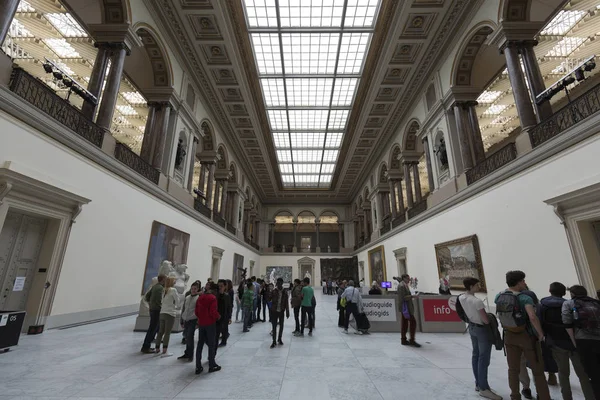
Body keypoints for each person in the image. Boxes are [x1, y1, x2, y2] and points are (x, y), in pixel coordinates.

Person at [495, 271, 550, 400]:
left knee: (513, 369)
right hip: (526, 336)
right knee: (537, 369)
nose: (525, 283)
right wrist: (540, 333)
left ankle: (515, 395)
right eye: (523, 281)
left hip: (509, 335)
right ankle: (544, 396)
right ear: (518, 282)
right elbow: (532, 317)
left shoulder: (499, 296)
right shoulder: (525, 298)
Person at [539, 282, 594, 400]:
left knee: (563, 374)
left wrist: (545, 337)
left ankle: (567, 397)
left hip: (556, 343)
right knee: (583, 375)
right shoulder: (571, 304)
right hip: (574, 343)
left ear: (550, 291)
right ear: (564, 293)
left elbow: (540, 322)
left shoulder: (543, 304)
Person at [459, 278, 502, 400]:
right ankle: (484, 388)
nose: (478, 287)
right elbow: (485, 320)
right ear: (471, 286)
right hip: (482, 329)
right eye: (477, 285)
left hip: (472, 327)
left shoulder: (462, 297)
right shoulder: (477, 301)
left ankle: (479, 384)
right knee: (484, 358)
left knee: (476, 355)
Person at [562, 285, 600, 399]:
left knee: (593, 374)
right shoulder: (596, 302)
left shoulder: (569, 304)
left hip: (584, 341)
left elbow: (567, 323)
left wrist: (574, 341)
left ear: (572, 294)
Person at [195, 282, 221, 374]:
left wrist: (200, 318)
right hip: (210, 323)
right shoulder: (212, 298)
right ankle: (211, 364)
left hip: (201, 323)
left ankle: (198, 366)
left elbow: (196, 311)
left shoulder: (200, 297)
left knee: (200, 344)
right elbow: (213, 311)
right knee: (211, 344)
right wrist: (218, 317)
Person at [141, 274, 165, 353]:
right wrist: (161, 308)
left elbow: (147, 296)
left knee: (154, 328)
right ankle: (146, 346)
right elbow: (159, 301)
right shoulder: (160, 288)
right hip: (157, 310)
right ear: (163, 280)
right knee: (152, 328)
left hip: (152, 309)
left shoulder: (155, 286)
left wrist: (151, 304)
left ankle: (150, 343)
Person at [155, 276, 178, 357]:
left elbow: (162, 301)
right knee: (167, 332)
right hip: (170, 313)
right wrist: (174, 305)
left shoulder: (164, 290)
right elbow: (177, 301)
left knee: (161, 331)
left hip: (162, 312)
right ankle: (165, 350)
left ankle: (157, 348)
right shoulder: (173, 290)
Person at [178, 280, 200, 361]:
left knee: (190, 337)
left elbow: (199, 311)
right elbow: (183, 309)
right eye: (192, 288)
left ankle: (190, 355)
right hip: (186, 320)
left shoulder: (198, 298)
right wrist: (181, 320)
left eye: (195, 289)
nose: (193, 290)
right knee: (186, 337)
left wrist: (198, 322)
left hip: (193, 320)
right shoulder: (187, 297)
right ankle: (187, 353)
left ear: (197, 290)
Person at [397, 274, 421, 347]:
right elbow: (403, 297)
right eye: (408, 278)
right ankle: (411, 340)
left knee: (404, 323)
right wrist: (413, 296)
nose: (409, 280)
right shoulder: (401, 286)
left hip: (406, 307)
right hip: (405, 308)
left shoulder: (404, 285)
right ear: (404, 278)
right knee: (412, 322)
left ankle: (404, 339)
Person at [270, 277, 290, 348]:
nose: (278, 284)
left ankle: (279, 338)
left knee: (281, 326)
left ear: (282, 283)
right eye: (277, 283)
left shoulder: (285, 292)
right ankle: (274, 341)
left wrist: (287, 311)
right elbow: (269, 299)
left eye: (280, 283)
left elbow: (286, 302)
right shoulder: (274, 291)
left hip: (281, 311)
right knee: (274, 326)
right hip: (274, 311)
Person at [216, 280, 232, 347]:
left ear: (225, 287)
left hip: (224, 316)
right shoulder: (215, 296)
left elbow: (229, 307)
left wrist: (229, 317)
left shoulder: (227, 296)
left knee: (224, 329)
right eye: (218, 286)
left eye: (221, 286)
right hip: (216, 316)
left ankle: (223, 341)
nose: (220, 288)